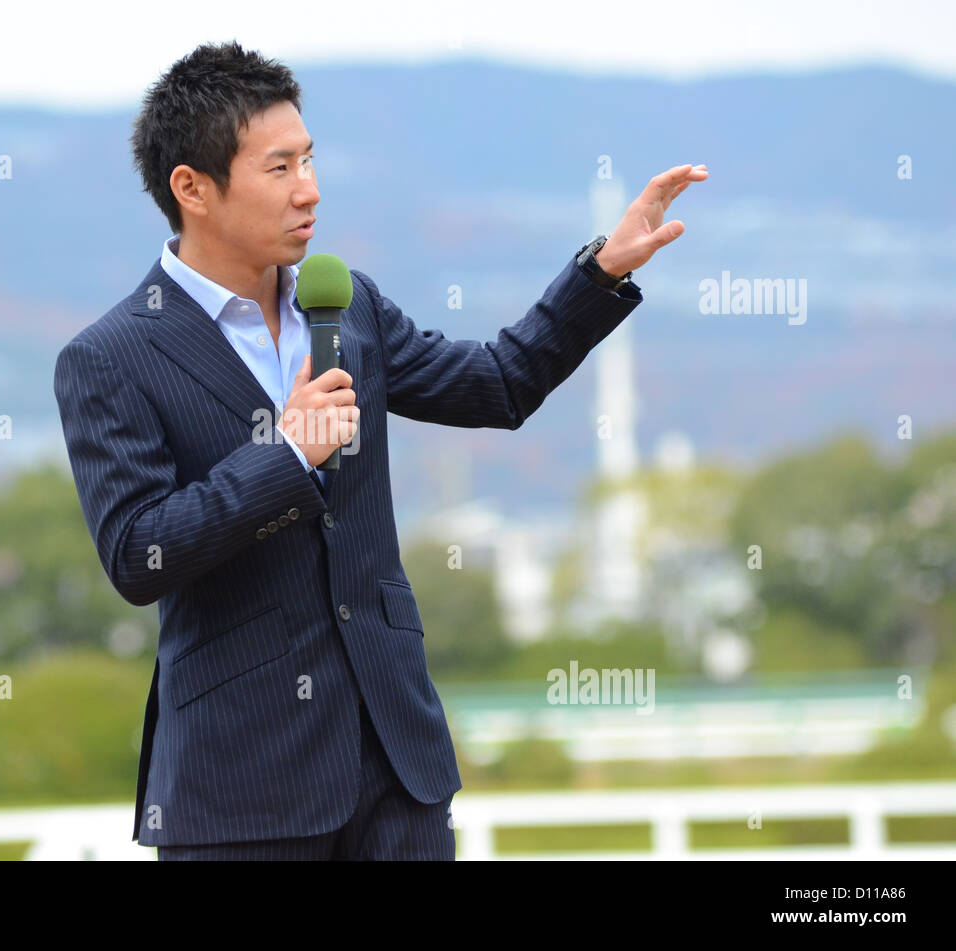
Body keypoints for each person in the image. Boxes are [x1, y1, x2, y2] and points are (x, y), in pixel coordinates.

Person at [53, 40, 706, 860]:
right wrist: (284, 458)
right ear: (193, 188)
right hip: (241, 790)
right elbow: (137, 554)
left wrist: (601, 272)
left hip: (397, 768)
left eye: (311, 160)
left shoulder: (347, 303)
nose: (310, 190)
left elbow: (498, 384)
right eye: (280, 168)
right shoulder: (111, 357)